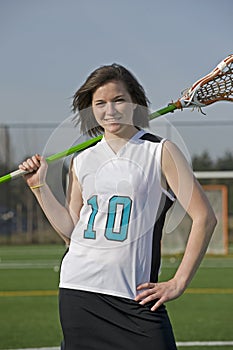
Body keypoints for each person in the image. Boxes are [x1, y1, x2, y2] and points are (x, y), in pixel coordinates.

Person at [19, 64, 217, 350]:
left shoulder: (160, 151)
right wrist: (39, 187)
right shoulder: (81, 160)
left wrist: (178, 282)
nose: (109, 110)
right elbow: (70, 235)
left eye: (118, 100)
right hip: (79, 290)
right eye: (100, 103)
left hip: (134, 297)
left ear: (135, 102)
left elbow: (204, 218)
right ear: (90, 109)